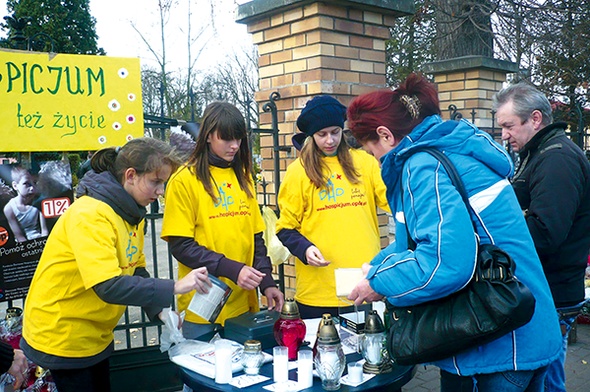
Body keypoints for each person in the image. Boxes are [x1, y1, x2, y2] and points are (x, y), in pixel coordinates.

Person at [346, 73, 562, 392]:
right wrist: (376, 267)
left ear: (385, 135)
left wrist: (378, 283)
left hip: (496, 342)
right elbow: (414, 243)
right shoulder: (452, 150)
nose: (374, 159)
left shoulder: (423, 166)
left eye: (369, 149)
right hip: (524, 322)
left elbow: (445, 265)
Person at [20, 138, 212, 392]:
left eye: (163, 183)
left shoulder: (131, 213)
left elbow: (136, 269)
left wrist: (159, 311)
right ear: (130, 175)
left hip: (94, 336)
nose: (161, 191)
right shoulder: (90, 215)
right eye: (155, 181)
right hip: (62, 336)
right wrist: (175, 286)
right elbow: (107, 285)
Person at [493, 82, 590, 392]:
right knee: (548, 376)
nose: (504, 134)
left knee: (547, 379)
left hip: (553, 293)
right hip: (549, 288)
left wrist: (494, 240)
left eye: (508, 125)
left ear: (535, 119)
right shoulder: (540, 152)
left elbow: (545, 233)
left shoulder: (556, 158)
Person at [161, 101, 284, 341]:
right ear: (207, 136)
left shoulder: (243, 177)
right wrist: (232, 269)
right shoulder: (184, 180)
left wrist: (267, 281)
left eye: (238, 138)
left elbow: (256, 238)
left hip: (242, 304)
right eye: (226, 139)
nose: (235, 145)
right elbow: (181, 246)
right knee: (202, 375)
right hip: (203, 305)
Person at [275, 95, 389, 319]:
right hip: (317, 292)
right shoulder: (298, 172)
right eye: (322, 134)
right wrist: (305, 249)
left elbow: (393, 202)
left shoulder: (365, 163)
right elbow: (285, 228)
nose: (330, 140)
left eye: (335, 132)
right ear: (311, 136)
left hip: (363, 285)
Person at [3, 166, 48, 242]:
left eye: (34, 183)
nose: (32, 188)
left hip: (40, 241)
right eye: (26, 184)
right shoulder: (9, 208)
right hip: (23, 248)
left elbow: (44, 231)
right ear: (15, 186)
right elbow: (19, 236)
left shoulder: (39, 203)